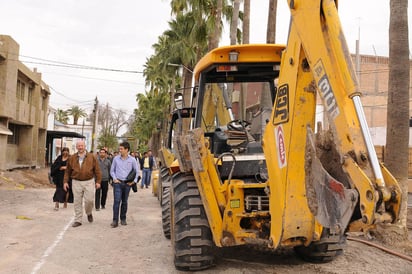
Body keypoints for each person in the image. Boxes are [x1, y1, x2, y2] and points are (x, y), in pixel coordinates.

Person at [64, 139, 102, 228]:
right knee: (77, 201)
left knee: (89, 200)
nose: (80, 147)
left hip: (89, 181)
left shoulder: (92, 157)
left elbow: (97, 170)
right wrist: (65, 182)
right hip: (76, 182)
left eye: (82, 146)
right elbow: (67, 171)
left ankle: (89, 213)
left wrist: (98, 182)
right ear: (76, 147)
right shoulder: (72, 158)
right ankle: (78, 220)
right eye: (79, 146)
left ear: (85, 146)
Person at [110, 141, 140, 228]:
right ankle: (115, 220)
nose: (120, 150)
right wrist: (114, 179)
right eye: (119, 149)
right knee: (116, 201)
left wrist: (133, 182)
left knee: (124, 202)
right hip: (118, 183)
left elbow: (137, 171)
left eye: (121, 149)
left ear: (127, 149)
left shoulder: (132, 160)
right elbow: (112, 171)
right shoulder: (116, 159)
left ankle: (123, 218)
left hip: (127, 184)